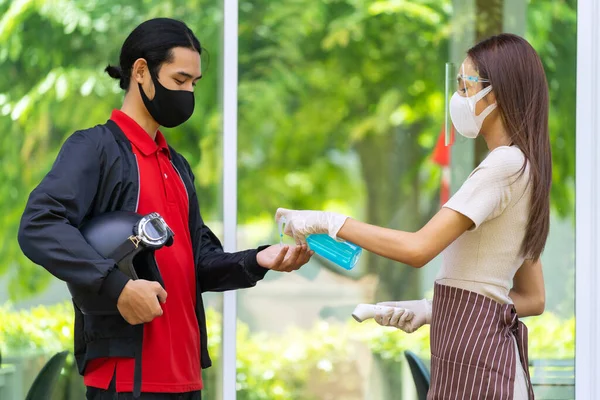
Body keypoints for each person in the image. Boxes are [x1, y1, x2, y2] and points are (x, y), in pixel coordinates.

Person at [18, 18, 312, 400]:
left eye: (194, 83)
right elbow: (39, 225)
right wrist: (117, 287)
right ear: (141, 71)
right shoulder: (95, 148)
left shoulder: (177, 165)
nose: (189, 92)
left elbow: (199, 263)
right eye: (179, 80)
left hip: (186, 376)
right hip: (127, 381)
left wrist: (260, 260)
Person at [277, 33, 550, 400]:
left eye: (465, 85)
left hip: (482, 371)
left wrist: (330, 223)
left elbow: (418, 248)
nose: (458, 98)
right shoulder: (523, 166)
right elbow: (531, 298)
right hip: (478, 362)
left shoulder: (504, 165)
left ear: (496, 94)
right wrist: (436, 311)